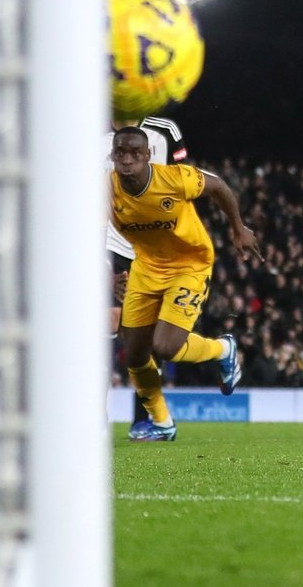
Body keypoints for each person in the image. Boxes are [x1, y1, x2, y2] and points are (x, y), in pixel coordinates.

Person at [111, 127, 260, 441]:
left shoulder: (175, 179)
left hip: (189, 264)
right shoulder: (105, 189)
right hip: (146, 266)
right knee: (135, 354)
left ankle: (223, 349)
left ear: (147, 156)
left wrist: (238, 227)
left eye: (134, 154)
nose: (127, 161)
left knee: (164, 346)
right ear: (112, 156)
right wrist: (109, 277)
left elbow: (218, 187)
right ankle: (161, 422)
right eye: (120, 153)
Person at [107, 114, 189, 425]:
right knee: (108, 320)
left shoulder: (166, 131)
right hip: (109, 245)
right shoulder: (86, 125)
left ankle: (148, 417)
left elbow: (180, 187)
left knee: (142, 337)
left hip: (151, 248)